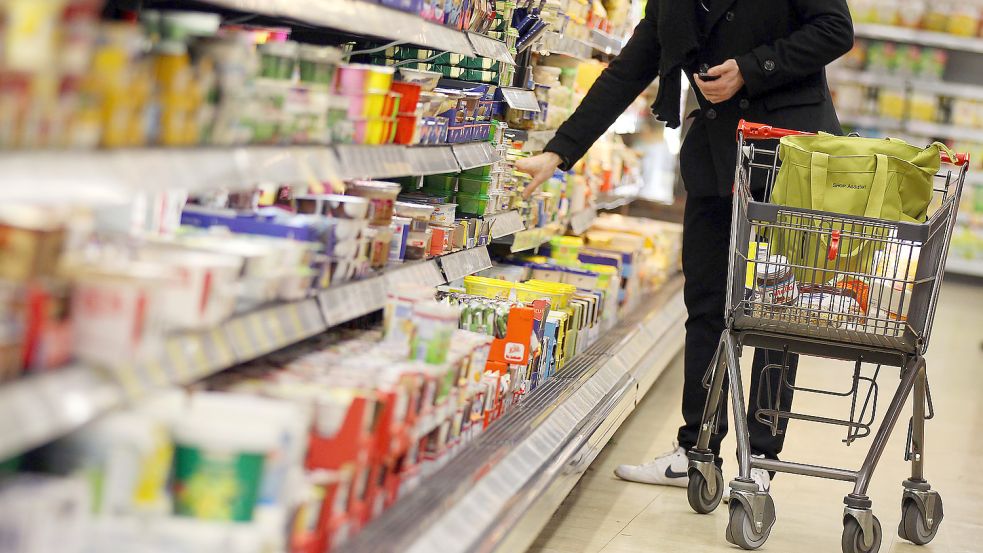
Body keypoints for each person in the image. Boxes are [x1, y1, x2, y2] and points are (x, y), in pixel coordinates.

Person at [516, 0, 854, 493]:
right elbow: (630, 68)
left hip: (790, 158)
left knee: (777, 309)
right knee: (706, 303)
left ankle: (760, 457)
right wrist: (558, 151)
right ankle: (697, 450)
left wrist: (750, 68)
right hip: (717, 157)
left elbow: (834, 29)